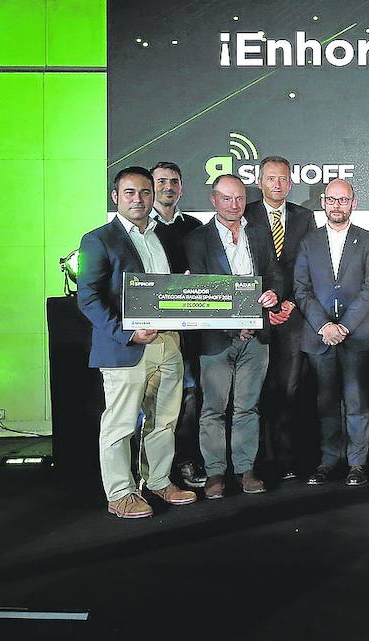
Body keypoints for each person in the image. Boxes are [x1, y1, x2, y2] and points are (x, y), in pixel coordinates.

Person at [77, 166, 197, 518]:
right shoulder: (98, 239)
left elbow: (168, 289)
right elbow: (88, 298)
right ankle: (120, 494)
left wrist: (183, 288)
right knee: (120, 424)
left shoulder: (165, 237)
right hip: (124, 347)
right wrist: (127, 332)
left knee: (164, 420)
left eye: (145, 192)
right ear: (116, 197)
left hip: (167, 342)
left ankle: (158, 481)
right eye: (130, 192)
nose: (139, 199)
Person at [184, 174, 283, 499]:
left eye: (239, 198)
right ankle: (215, 474)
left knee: (247, 407)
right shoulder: (197, 239)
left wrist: (273, 294)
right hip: (217, 340)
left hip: (257, 337)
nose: (234, 205)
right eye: (226, 198)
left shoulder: (259, 232)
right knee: (213, 408)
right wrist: (232, 324)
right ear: (213, 200)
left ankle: (245, 469)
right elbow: (201, 290)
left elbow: (274, 274)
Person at [294, 179, 369, 487]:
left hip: (356, 335)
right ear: (323, 201)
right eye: (332, 199)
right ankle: (329, 461)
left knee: (357, 404)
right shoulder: (308, 241)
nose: (337, 205)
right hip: (319, 337)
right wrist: (324, 326)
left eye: (343, 200)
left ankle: (357, 463)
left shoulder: (368, 240)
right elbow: (301, 289)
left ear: (353, 203)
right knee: (326, 404)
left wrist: (344, 326)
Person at [243, 156, 317, 482]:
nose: (277, 184)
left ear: (291, 182)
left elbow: (308, 265)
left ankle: (285, 458)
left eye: (283, 179)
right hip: (253, 315)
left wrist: (289, 302)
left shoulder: (304, 217)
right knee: (253, 389)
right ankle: (254, 459)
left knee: (289, 388)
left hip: (292, 314)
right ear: (259, 181)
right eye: (271, 178)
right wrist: (261, 307)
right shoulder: (244, 215)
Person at [149, 161, 208, 489]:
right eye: (161, 181)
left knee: (190, 396)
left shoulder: (196, 226)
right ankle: (153, 470)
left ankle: (185, 461)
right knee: (155, 401)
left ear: (182, 187)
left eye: (174, 181)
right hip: (154, 330)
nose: (168, 187)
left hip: (192, 330)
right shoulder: (142, 227)